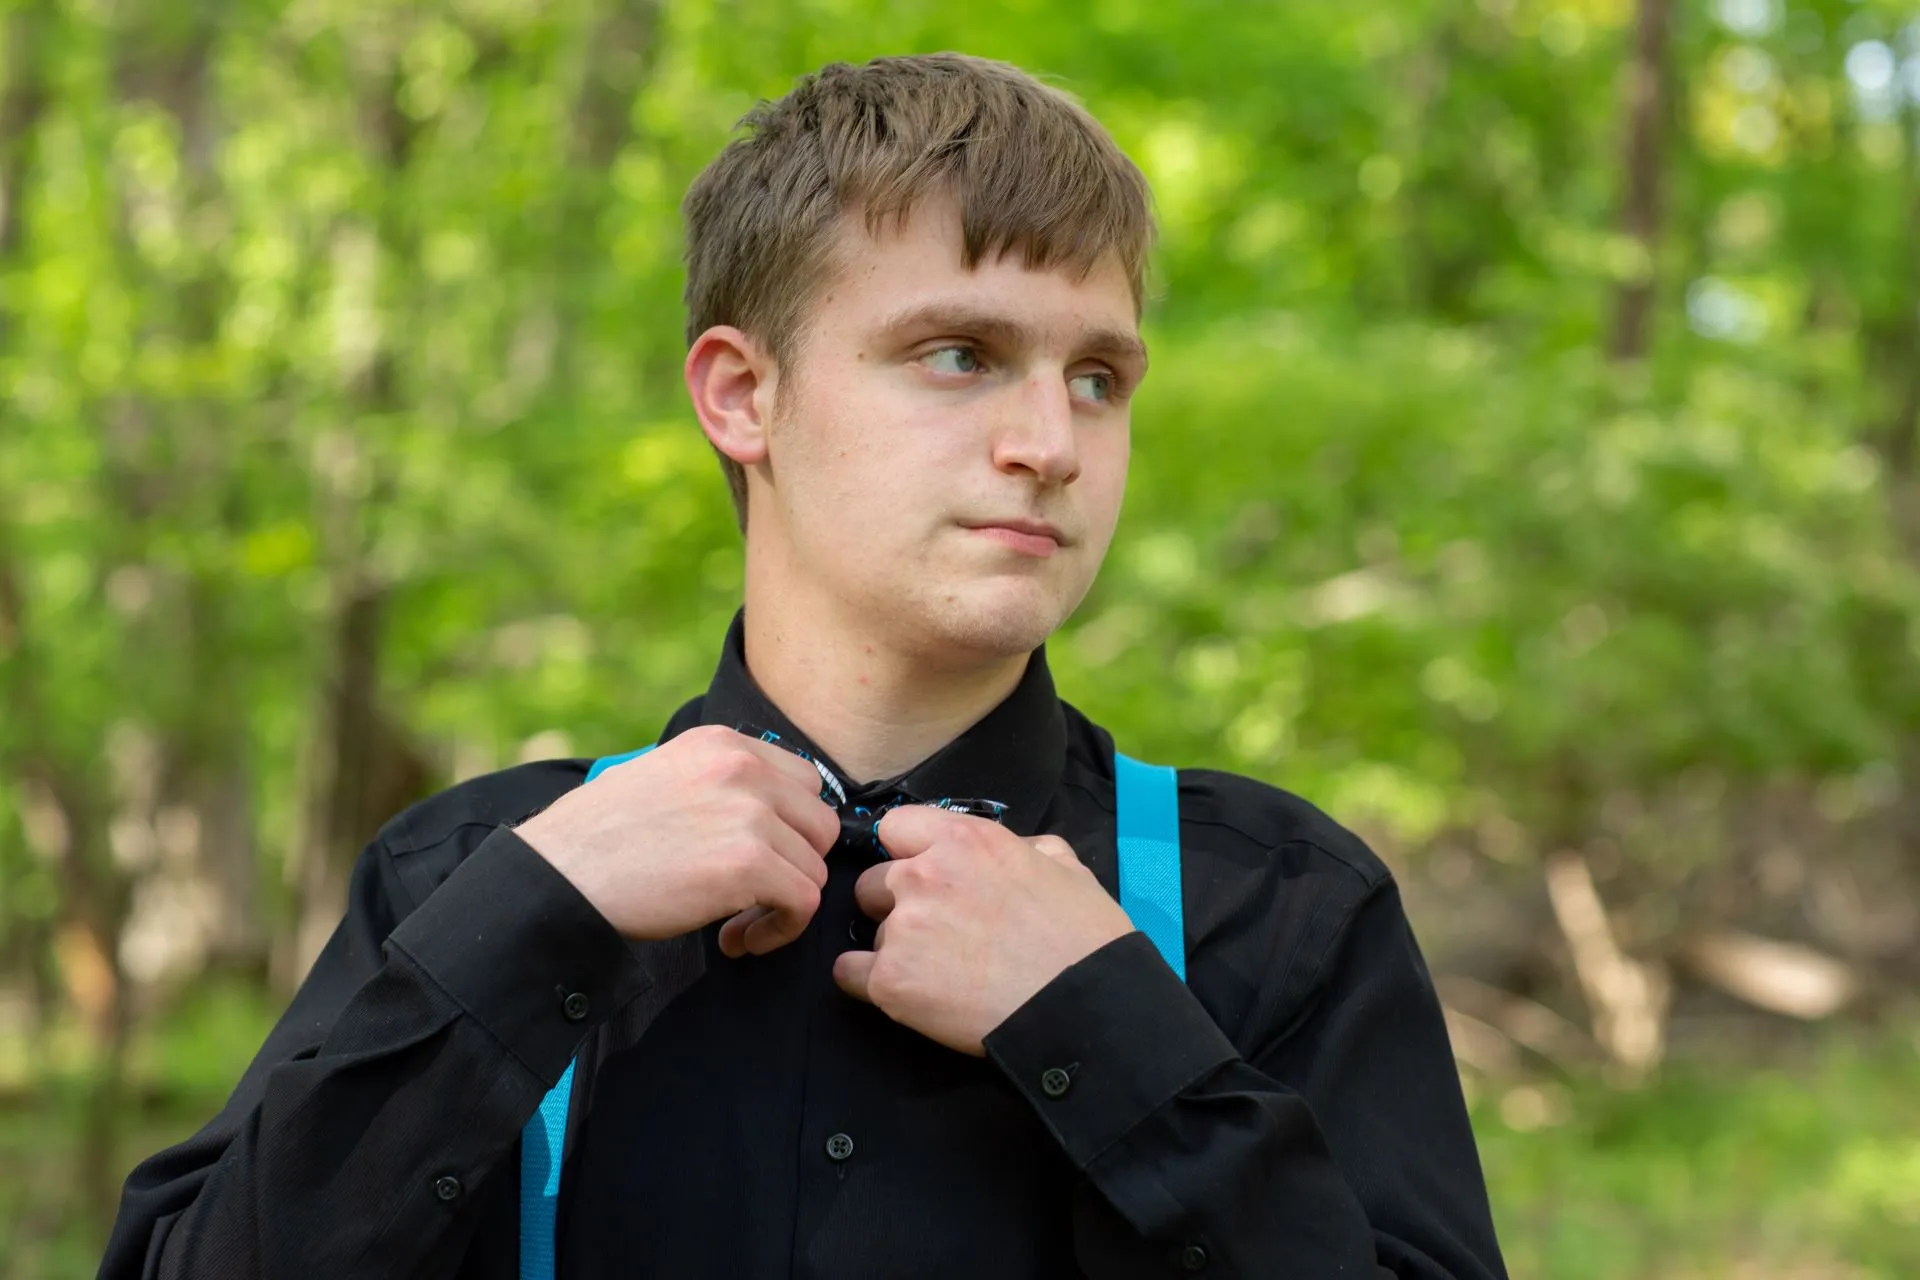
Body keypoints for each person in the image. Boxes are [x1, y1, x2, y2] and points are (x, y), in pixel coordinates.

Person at [100, 52, 1507, 1279]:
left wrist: (1113, 1034)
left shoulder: (1279, 910)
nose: (1054, 443)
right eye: (961, 354)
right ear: (741, 395)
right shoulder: (472, 877)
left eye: (1098, 377)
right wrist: (526, 930)